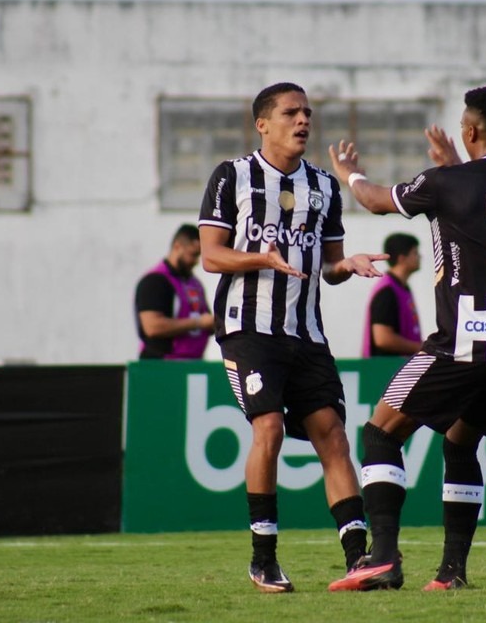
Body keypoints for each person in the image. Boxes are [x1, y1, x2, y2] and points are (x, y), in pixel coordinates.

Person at [326, 86, 486, 591]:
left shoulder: (444, 183)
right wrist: (456, 165)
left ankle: (382, 556)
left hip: (465, 338)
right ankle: (452, 573)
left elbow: (372, 200)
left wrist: (348, 173)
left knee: (381, 433)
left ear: (471, 131)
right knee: (461, 442)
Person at [197, 82, 387, 594]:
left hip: (306, 333)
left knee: (333, 435)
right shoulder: (232, 177)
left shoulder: (324, 186)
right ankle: (264, 559)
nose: (303, 120)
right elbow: (212, 256)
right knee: (270, 430)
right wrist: (262, 257)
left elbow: (329, 266)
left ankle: (356, 559)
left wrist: (348, 263)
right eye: (290, 112)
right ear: (263, 123)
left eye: (307, 112)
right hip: (248, 329)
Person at [135, 224, 214, 359]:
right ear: (177, 246)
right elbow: (152, 327)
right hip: (162, 364)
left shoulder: (194, 283)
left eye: (199, 255)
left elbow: (208, 320)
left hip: (193, 363)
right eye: (193, 254)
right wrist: (198, 322)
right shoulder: (155, 281)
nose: (196, 261)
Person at [363, 233, 423, 357]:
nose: (420, 257)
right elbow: (382, 338)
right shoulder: (387, 291)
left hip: (398, 367)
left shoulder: (402, 288)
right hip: (384, 370)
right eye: (415, 253)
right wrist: (422, 348)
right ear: (402, 258)